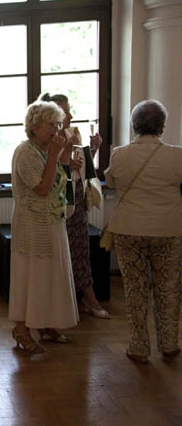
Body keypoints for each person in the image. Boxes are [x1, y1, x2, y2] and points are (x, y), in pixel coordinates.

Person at [104, 99, 182, 364]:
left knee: (135, 289)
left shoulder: (119, 154)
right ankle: (169, 344)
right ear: (162, 126)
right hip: (169, 229)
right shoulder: (177, 155)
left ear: (133, 125)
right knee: (168, 288)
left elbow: (111, 181)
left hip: (129, 230)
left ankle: (139, 346)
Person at [9, 99, 79, 353]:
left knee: (51, 275)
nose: (56, 129)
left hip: (52, 221)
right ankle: (21, 328)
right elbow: (42, 188)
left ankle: (46, 322)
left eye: (58, 124)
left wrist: (66, 151)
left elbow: (60, 176)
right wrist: (54, 155)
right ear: (34, 126)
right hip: (32, 226)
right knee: (31, 276)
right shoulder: (25, 152)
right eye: (51, 125)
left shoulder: (45, 149)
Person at [39, 93, 110, 319]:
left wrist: (94, 149)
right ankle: (61, 304)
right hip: (57, 201)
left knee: (81, 251)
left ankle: (88, 299)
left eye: (69, 111)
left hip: (76, 200)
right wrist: (68, 164)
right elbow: (49, 177)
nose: (70, 116)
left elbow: (84, 170)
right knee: (59, 254)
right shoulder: (44, 142)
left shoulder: (71, 135)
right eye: (65, 112)